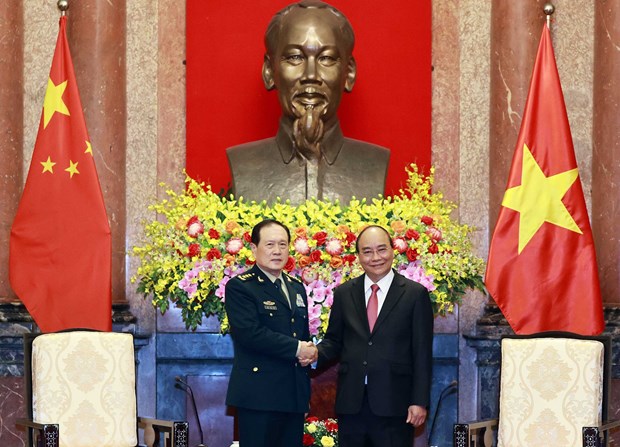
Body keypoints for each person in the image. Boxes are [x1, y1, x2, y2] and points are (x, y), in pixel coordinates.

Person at [226, 0, 390, 205]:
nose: (311, 75)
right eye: (295, 57)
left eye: (327, 58)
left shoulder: (374, 164)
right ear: (269, 71)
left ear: (348, 73)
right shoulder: (243, 164)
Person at [316, 225, 434, 447]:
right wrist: (312, 354)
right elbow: (334, 341)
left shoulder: (414, 294)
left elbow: (422, 352)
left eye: (382, 249)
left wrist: (419, 401)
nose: (375, 257)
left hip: (395, 404)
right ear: (358, 256)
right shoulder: (344, 293)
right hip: (352, 403)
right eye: (367, 251)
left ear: (392, 250)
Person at [225, 219, 318, 447]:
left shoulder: (296, 286)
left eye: (283, 244)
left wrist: (311, 352)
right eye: (270, 244)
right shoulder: (241, 286)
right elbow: (250, 333)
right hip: (259, 396)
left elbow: (301, 334)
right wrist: (298, 349)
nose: (277, 251)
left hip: (293, 396)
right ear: (254, 249)